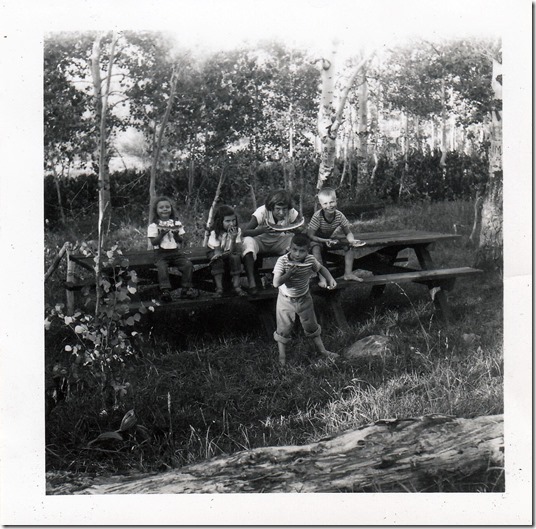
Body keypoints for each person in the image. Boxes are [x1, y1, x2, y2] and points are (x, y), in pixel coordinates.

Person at [272, 233, 339, 366]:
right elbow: (276, 283)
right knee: (283, 328)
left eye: (302, 251)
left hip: (304, 298)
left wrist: (330, 278)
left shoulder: (310, 260)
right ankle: (282, 357)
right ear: (289, 248)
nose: (297, 254)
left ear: (307, 251)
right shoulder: (282, 261)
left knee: (311, 325)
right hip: (285, 300)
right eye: (294, 249)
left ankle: (322, 350)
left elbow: (321, 268)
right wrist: (289, 273)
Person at [242, 189, 303, 294]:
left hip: (278, 242)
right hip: (260, 241)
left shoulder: (291, 212)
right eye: (278, 209)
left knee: (294, 241)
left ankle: (292, 280)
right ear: (271, 207)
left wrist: (297, 230)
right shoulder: (262, 211)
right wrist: (262, 230)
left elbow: (302, 228)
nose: (282, 212)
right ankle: (252, 283)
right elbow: (245, 232)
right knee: (248, 242)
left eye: (284, 209)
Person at [307, 187, 367, 287]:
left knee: (348, 246)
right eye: (325, 203)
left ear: (336, 201)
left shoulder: (339, 215)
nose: (329, 206)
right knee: (316, 248)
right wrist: (325, 240)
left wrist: (351, 240)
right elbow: (310, 235)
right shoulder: (318, 216)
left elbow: (348, 232)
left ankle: (348, 273)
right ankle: (322, 278)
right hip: (314, 240)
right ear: (320, 205)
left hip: (328, 240)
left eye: (332, 202)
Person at [147, 196, 198, 302]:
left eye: (167, 207)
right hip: (160, 254)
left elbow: (181, 240)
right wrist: (161, 234)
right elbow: (153, 242)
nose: (165, 209)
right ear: (156, 211)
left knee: (188, 265)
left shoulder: (177, 223)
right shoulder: (153, 225)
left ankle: (186, 289)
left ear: (171, 209)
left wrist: (176, 235)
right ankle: (165, 291)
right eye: (161, 207)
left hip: (175, 253)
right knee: (162, 268)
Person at [207, 205, 247, 298]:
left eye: (233, 220)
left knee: (235, 257)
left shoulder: (237, 231)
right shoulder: (214, 233)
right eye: (228, 221)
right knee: (217, 262)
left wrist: (233, 239)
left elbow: (235, 250)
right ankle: (219, 288)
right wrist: (221, 255)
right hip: (215, 252)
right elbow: (217, 251)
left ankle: (237, 286)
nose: (232, 223)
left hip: (230, 252)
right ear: (220, 222)